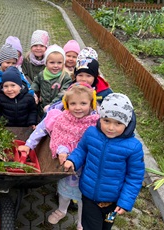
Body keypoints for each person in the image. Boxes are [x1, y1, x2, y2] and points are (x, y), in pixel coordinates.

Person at [18, 83, 99, 230]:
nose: (78, 107)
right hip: (66, 164)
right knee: (65, 191)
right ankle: (62, 210)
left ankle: (82, 221)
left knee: (85, 197)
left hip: (88, 167)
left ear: (92, 104)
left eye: (83, 103)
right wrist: (59, 149)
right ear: (66, 104)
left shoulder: (96, 123)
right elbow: (55, 136)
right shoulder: (62, 118)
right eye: (73, 103)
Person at [63, 93, 145, 230]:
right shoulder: (91, 133)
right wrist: (72, 160)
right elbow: (82, 150)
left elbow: (135, 177)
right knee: (91, 226)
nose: (111, 128)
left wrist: (125, 201)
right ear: (100, 118)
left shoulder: (133, 147)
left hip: (113, 200)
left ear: (128, 123)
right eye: (106, 121)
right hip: (89, 195)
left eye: (118, 123)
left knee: (106, 227)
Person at [32, 44, 72, 118]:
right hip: (42, 108)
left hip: (57, 110)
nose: (55, 66)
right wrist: (33, 93)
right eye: (52, 62)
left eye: (59, 63)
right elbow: (35, 83)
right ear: (46, 63)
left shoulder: (65, 78)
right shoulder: (42, 74)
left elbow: (63, 94)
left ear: (63, 63)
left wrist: (52, 105)